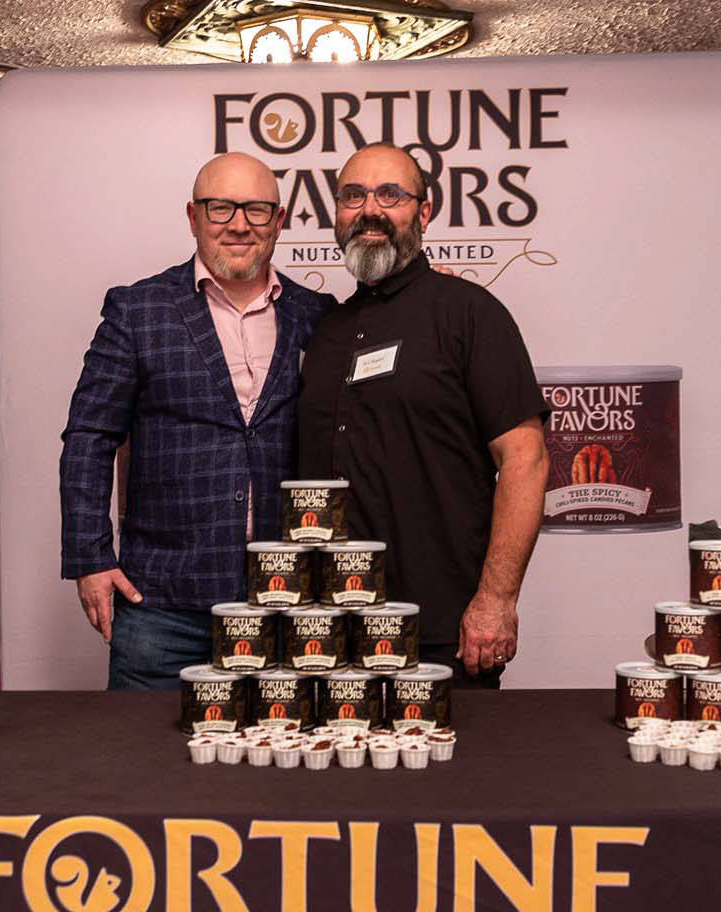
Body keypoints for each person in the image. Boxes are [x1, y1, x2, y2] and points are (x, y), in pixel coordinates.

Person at [61, 152, 335, 689]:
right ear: (193, 217)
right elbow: (90, 438)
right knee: (145, 767)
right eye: (220, 208)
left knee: (278, 769)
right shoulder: (138, 311)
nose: (239, 225)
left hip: (286, 605)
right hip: (162, 606)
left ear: (279, 221)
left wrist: (431, 295)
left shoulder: (318, 313)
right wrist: (90, 558)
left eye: (257, 210)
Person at [296, 144, 549, 689]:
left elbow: (524, 460)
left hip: (441, 627)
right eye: (353, 196)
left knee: (451, 776)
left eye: (391, 195)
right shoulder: (325, 331)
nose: (370, 210)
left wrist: (496, 599)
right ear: (336, 213)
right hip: (327, 628)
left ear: (424, 212)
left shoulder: (470, 313)